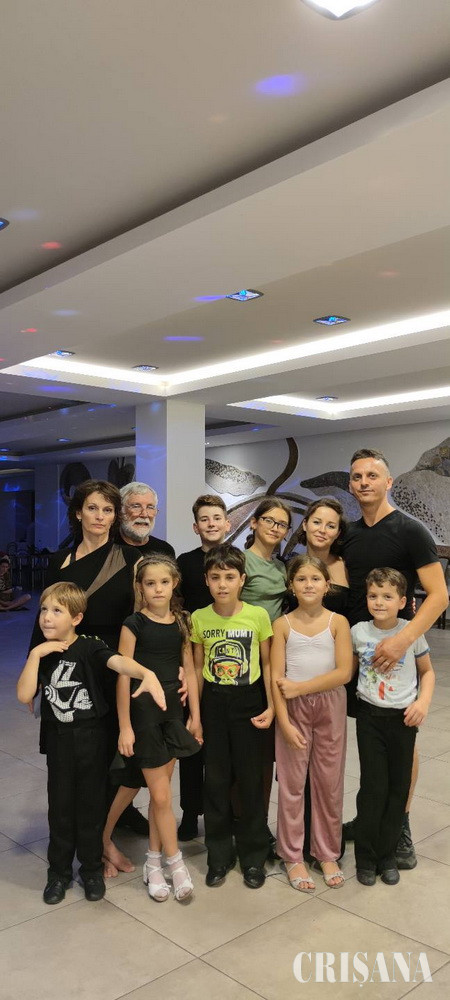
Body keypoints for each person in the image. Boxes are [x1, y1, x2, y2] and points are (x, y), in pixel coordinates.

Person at [17, 581, 167, 906]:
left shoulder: (89, 647)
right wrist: (36, 654)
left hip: (91, 739)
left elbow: (118, 662)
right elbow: (24, 694)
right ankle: (58, 872)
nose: (47, 617)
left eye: (57, 611)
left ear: (76, 618)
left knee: (90, 806)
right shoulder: (42, 653)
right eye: (44, 610)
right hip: (58, 741)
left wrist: (146, 673)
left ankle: (91, 869)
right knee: (60, 808)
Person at [341, 448, 448, 868]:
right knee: (370, 742)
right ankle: (370, 818)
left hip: (398, 654)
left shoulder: (410, 530)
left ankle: (399, 822)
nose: (363, 482)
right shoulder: (349, 534)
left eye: (372, 475)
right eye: (357, 476)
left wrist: (403, 640)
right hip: (360, 650)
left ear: (388, 482)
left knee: (402, 741)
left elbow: (439, 595)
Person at [28, 479, 147, 841]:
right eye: (92, 508)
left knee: (111, 748)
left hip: (110, 662)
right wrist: (36, 674)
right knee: (73, 754)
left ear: (115, 517)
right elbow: (45, 618)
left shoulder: (130, 559)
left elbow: (139, 618)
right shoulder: (58, 561)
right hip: (66, 662)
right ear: (78, 513)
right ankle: (79, 832)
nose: (99, 516)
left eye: (107, 510)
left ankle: (106, 830)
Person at [103, 555, 202, 901]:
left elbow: (189, 670)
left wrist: (195, 716)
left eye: (164, 582)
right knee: (160, 797)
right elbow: (123, 675)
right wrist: (125, 726)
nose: (158, 589)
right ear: (140, 587)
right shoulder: (134, 624)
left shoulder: (182, 622)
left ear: (174, 583)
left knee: (160, 796)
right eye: (150, 583)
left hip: (173, 713)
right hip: (143, 714)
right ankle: (175, 862)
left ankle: (153, 861)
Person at [191, 544, 274, 890]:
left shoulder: (258, 616)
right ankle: (219, 854)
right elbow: (197, 667)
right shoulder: (199, 618)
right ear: (206, 580)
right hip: (213, 703)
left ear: (242, 579)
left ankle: (253, 854)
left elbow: (267, 663)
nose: (222, 584)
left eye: (229, 577)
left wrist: (271, 706)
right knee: (216, 781)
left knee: (251, 780)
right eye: (215, 577)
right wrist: (195, 716)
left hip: (249, 702)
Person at [271, 555, 353, 893]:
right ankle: (292, 855)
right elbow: (276, 679)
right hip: (293, 710)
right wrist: (284, 722)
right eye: (301, 579)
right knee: (292, 785)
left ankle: (327, 852)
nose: (308, 585)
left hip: (330, 705)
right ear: (291, 585)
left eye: (315, 579)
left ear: (327, 585)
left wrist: (301, 688)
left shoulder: (338, 622)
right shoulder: (282, 625)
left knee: (328, 782)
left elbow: (343, 672)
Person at [352, 568, 435, 886]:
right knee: (373, 789)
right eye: (373, 595)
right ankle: (365, 857)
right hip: (370, 719)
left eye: (387, 596)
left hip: (403, 721)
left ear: (402, 601)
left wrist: (422, 702)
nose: (379, 602)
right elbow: (347, 670)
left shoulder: (411, 633)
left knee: (398, 789)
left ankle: (387, 855)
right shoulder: (358, 632)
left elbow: (427, 672)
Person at [240, 496, 292, 857]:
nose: (275, 528)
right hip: (242, 659)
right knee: (242, 751)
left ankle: (257, 824)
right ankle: (239, 822)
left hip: (273, 658)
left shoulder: (282, 567)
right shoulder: (240, 561)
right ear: (254, 523)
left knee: (264, 755)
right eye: (269, 520)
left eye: (282, 524)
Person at [177, 494, 231, 840]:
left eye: (216, 518)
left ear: (227, 523)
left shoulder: (236, 559)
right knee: (192, 741)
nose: (211, 524)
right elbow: (177, 607)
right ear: (196, 527)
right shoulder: (184, 562)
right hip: (193, 656)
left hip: (229, 658)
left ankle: (223, 812)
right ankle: (189, 812)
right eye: (204, 519)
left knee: (224, 747)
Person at [296, 499, 349, 614]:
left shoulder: (347, 567)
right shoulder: (291, 567)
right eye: (317, 522)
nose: (322, 530)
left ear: (338, 533)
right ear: (305, 524)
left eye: (331, 526)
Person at [119, 482, 175, 557]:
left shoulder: (165, 550)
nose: (144, 514)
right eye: (136, 506)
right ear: (120, 511)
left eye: (150, 507)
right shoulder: (108, 546)